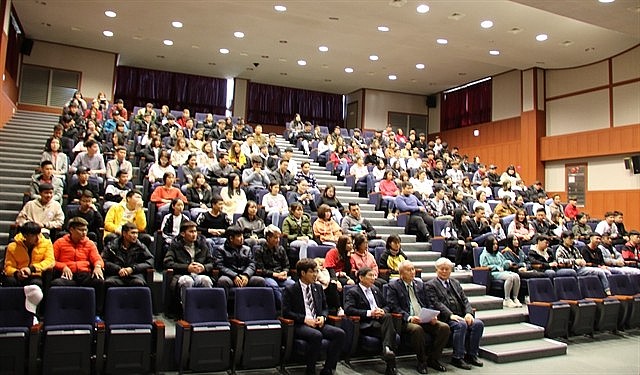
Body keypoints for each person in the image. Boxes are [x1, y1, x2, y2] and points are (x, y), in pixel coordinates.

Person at [282, 258, 346, 375]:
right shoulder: (291, 289)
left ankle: (328, 369)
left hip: (317, 322)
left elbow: (325, 308)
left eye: (316, 271)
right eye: (312, 272)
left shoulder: (318, 287)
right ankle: (310, 370)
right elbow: (286, 312)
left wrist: (323, 317)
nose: (316, 275)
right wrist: (304, 319)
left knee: (339, 333)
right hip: (300, 324)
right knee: (316, 335)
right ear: (303, 273)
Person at [386, 260, 450, 374]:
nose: (412, 272)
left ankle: (433, 359)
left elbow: (428, 302)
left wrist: (432, 314)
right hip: (406, 321)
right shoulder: (393, 286)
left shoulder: (420, 284)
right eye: (408, 270)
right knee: (417, 329)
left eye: (413, 269)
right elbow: (393, 306)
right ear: (401, 273)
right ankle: (422, 362)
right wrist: (410, 318)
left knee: (444, 327)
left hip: (423, 318)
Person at [426, 257, 484, 370]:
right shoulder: (430, 285)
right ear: (436, 270)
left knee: (478, 324)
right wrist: (450, 315)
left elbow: (465, 300)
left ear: (450, 270)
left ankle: (472, 355)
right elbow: (436, 303)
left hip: (460, 315)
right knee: (461, 325)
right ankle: (457, 357)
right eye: (441, 269)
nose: (444, 271)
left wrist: (468, 313)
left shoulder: (455, 283)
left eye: (446, 269)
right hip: (445, 317)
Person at [344, 267, 397, 375]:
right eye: (370, 276)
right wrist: (370, 313)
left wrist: (382, 310)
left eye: (374, 276)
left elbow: (387, 305)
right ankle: (390, 364)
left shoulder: (375, 289)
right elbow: (349, 310)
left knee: (387, 316)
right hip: (366, 324)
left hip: (380, 321)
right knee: (392, 333)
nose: (373, 278)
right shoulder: (353, 291)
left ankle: (387, 351)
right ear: (361, 277)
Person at [51, 217, 105, 313]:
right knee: (56, 284)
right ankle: (58, 312)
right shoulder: (59, 243)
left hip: (84, 275)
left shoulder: (90, 243)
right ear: (71, 230)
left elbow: (97, 259)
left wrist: (97, 266)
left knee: (99, 282)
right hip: (68, 276)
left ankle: (98, 313)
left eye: (85, 230)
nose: (84, 233)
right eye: (81, 230)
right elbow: (51, 261)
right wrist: (63, 266)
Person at [163, 220, 216, 303]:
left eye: (195, 231)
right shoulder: (175, 246)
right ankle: (187, 312)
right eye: (191, 232)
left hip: (200, 274)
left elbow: (212, 262)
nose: (194, 234)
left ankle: (206, 310)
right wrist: (187, 268)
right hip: (182, 274)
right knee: (187, 281)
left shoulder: (203, 245)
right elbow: (168, 263)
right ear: (183, 234)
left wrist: (204, 267)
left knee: (206, 280)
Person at [215, 225, 266, 294]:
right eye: (239, 236)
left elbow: (252, 264)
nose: (242, 238)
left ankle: (257, 304)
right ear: (231, 238)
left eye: (242, 236)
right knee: (223, 281)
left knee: (260, 281)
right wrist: (234, 276)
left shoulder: (247, 249)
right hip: (230, 276)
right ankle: (224, 304)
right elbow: (220, 266)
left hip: (244, 275)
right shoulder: (221, 250)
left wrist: (246, 275)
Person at [102, 222, 154, 287]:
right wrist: (118, 269)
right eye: (133, 233)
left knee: (138, 283)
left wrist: (133, 269)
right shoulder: (112, 246)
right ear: (124, 233)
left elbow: (150, 261)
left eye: (136, 233)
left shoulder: (140, 247)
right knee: (108, 283)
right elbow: (104, 261)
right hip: (116, 275)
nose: (135, 236)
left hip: (134, 275)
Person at [3, 222, 54, 287]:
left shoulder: (47, 243)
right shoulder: (12, 247)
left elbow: (50, 261)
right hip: (19, 274)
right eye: (33, 236)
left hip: (36, 274)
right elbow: (8, 267)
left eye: (38, 234)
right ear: (25, 236)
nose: (37, 238)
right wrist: (17, 273)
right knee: (9, 281)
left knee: (36, 283)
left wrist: (32, 269)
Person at [254, 224, 295, 306]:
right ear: (268, 238)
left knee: (293, 284)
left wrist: (284, 272)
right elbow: (260, 269)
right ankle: (283, 307)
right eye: (275, 238)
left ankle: (294, 307)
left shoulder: (281, 249)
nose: (278, 240)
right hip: (268, 276)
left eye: (279, 238)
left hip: (280, 276)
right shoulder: (259, 250)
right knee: (273, 285)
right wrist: (275, 274)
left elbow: (286, 265)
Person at [479, 236, 522, 308]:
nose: (495, 246)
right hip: (493, 273)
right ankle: (507, 299)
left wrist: (508, 263)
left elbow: (503, 263)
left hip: (502, 271)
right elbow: (484, 267)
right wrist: (496, 267)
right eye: (493, 244)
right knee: (510, 277)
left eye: (496, 244)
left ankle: (515, 298)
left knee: (516, 276)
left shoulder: (498, 254)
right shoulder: (484, 255)